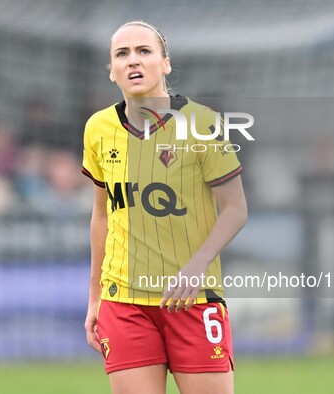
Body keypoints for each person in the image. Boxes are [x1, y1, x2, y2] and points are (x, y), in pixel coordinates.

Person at [81, 21, 247, 394]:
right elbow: (102, 215)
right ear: (111, 70)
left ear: (166, 63)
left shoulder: (202, 123)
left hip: (192, 297)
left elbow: (235, 209)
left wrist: (197, 265)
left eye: (144, 51)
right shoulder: (98, 128)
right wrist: (95, 297)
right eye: (121, 54)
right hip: (124, 303)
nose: (132, 61)